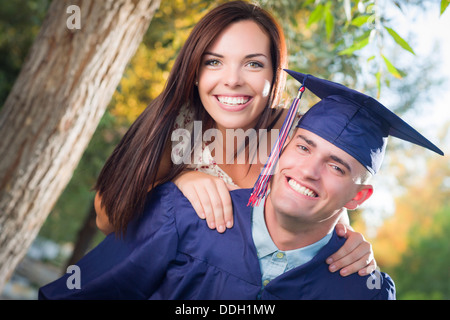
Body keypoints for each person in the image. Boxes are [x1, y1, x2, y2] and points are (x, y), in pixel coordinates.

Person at [39, 70, 443, 300]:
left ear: (360, 196)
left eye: (336, 167)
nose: (308, 171)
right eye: (303, 147)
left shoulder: (364, 293)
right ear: (279, 149)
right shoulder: (184, 215)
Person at [94, 0, 375, 277]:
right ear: (194, 72)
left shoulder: (300, 136)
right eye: (214, 62)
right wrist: (179, 182)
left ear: (274, 74)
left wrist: (355, 245)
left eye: (253, 64)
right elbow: (107, 218)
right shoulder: (177, 123)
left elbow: (333, 213)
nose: (232, 80)